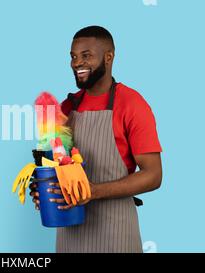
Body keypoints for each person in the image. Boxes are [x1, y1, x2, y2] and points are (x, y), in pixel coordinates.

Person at [30, 26, 163, 253]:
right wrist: (43, 190)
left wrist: (92, 191)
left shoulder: (132, 104)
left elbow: (153, 176)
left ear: (109, 57)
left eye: (86, 55)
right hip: (70, 234)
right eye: (73, 56)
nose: (76, 63)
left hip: (116, 232)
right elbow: (54, 166)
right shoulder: (67, 108)